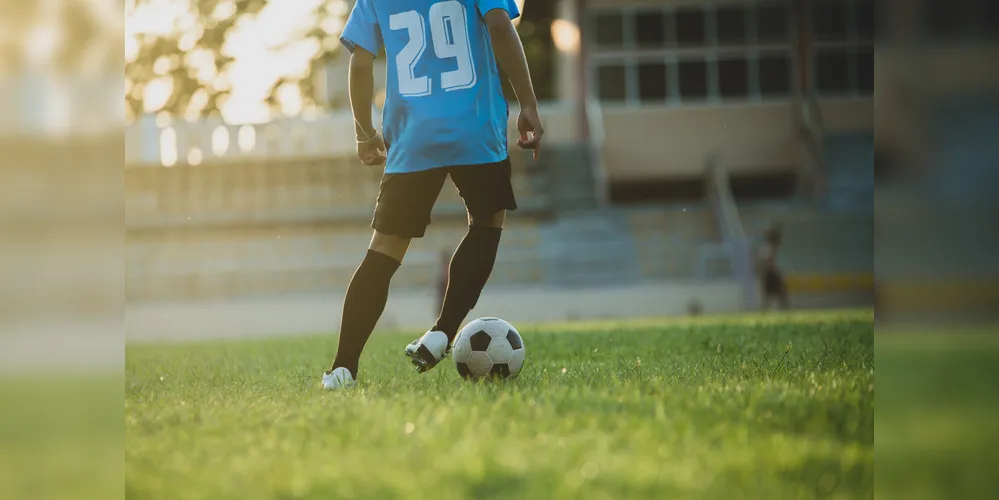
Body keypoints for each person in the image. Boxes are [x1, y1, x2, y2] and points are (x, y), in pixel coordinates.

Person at [322, 0, 544, 390]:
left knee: (383, 251)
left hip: (412, 136)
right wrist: (527, 101)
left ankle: (342, 370)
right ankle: (443, 331)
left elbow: (360, 61)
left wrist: (364, 132)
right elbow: (500, 26)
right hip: (474, 126)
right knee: (487, 222)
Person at [757, 227, 789, 311]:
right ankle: (783, 308)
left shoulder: (766, 247)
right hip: (770, 273)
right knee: (778, 292)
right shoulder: (767, 248)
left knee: (771, 294)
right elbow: (767, 261)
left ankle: (767, 309)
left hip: (768, 273)